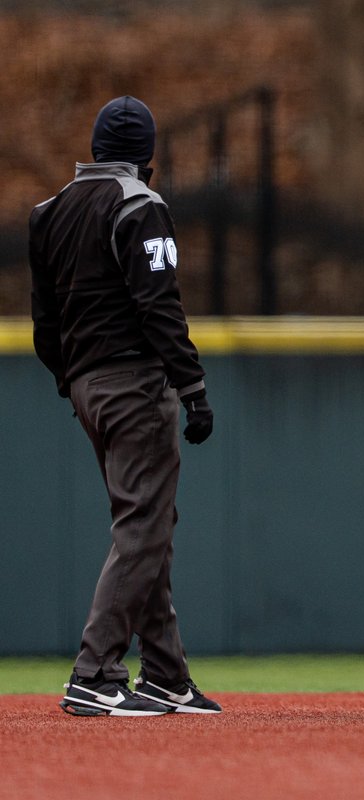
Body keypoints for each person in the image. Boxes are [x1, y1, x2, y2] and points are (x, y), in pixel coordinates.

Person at [29, 95, 221, 716]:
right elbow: (158, 305)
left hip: (86, 385)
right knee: (143, 526)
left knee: (146, 525)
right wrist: (191, 388)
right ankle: (96, 670)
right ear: (148, 155)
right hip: (136, 382)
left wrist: (71, 382)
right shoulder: (139, 203)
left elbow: (44, 322)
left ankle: (165, 674)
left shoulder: (50, 211)